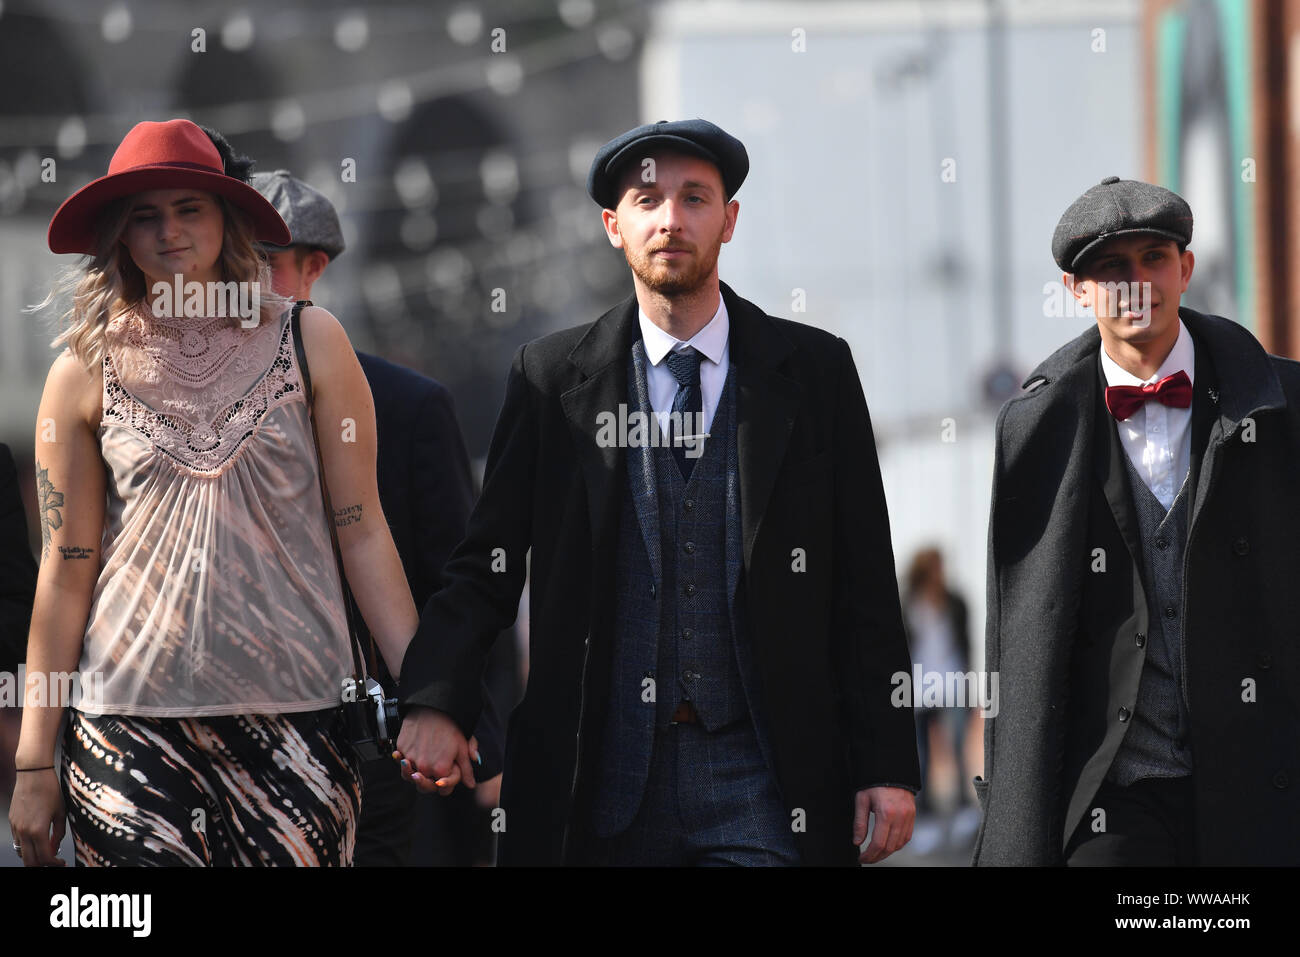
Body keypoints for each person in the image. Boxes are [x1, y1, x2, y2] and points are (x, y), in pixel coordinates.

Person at [395, 118, 920, 866]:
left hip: (764, 781)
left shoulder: (814, 373)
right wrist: (438, 695)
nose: (671, 219)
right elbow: (488, 563)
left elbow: (865, 580)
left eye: (695, 198)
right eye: (648, 199)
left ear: (729, 219)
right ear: (615, 225)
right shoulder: (549, 379)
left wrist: (886, 762)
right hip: (598, 780)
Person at [8, 119, 431, 866]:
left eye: (189, 208)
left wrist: (429, 693)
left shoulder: (311, 338)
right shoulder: (81, 372)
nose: (168, 230)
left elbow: (362, 530)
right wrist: (34, 758)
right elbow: (65, 569)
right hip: (124, 721)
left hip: (298, 715)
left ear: (227, 218)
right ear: (118, 233)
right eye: (144, 213)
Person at [976, 176, 1300, 866]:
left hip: (1263, 778)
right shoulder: (1035, 429)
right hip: (1113, 795)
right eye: (1110, 267)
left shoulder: (1284, 403)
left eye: (1154, 257)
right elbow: (1016, 635)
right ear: (1077, 290)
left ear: (1185, 268)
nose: (1136, 281)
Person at [252, 168, 505, 866]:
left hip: (386, 746)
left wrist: (472, 723)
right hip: (237, 743)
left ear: (314, 268)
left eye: (267, 263)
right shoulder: (185, 409)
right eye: (233, 262)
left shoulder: (406, 405)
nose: (247, 284)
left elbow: (467, 583)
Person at [902, 547, 972, 815]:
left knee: (957, 746)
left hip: (952, 683)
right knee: (922, 752)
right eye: (936, 566)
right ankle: (925, 807)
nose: (940, 571)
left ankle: (963, 804)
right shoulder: (908, 602)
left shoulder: (955, 601)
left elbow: (965, 644)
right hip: (919, 687)